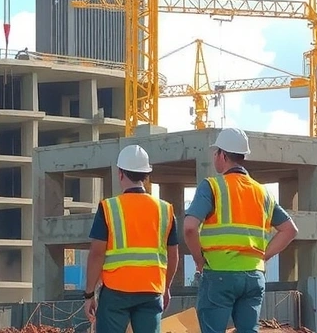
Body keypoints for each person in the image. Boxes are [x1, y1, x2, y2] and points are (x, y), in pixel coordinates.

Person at [183, 127, 299, 333]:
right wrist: (263, 256)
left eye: (216, 152)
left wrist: (199, 260)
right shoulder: (262, 192)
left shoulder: (212, 186)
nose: (214, 156)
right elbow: (289, 230)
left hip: (219, 273)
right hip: (253, 276)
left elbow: (190, 228)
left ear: (223, 155)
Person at [84, 144, 180, 333]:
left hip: (115, 291)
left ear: (120, 173)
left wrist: (89, 295)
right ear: (146, 176)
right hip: (151, 290)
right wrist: (166, 287)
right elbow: (173, 255)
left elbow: (97, 253)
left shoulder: (109, 208)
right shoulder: (165, 210)